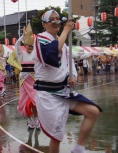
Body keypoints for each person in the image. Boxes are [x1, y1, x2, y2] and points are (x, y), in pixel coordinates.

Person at [32, 10, 102, 153]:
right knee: (56, 136)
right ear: (44, 24)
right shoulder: (40, 38)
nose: (55, 21)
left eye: (58, 19)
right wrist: (65, 31)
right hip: (48, 93)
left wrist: (72, 77)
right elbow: (52, 56)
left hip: (63, 91)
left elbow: (69, 64)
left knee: (92, 112)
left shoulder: (63, 43)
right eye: (51, 19)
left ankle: (79, 148)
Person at [8, 22, 39, 129]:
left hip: (35, 81)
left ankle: (36, 119)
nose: (30, 47)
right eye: (28, 45)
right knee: (25, 102)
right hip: (24, 81)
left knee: (36, 102)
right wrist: (23, 35)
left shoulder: (36, 54)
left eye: (32, 45)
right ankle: (30, 120)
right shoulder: (21, 55)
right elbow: (16, 45)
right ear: (24, 46)